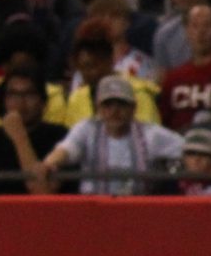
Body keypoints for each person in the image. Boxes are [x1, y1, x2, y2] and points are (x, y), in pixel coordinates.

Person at [40, 75, 185, 196]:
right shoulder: (87, 128)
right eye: (108, 105)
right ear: (98, 108)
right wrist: (50, 163)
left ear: (133, 108)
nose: (114, 111)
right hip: (93, 210)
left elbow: (186, 148)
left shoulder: (151, 134)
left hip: (139, 210)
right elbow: (67, 149)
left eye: (121, 104)